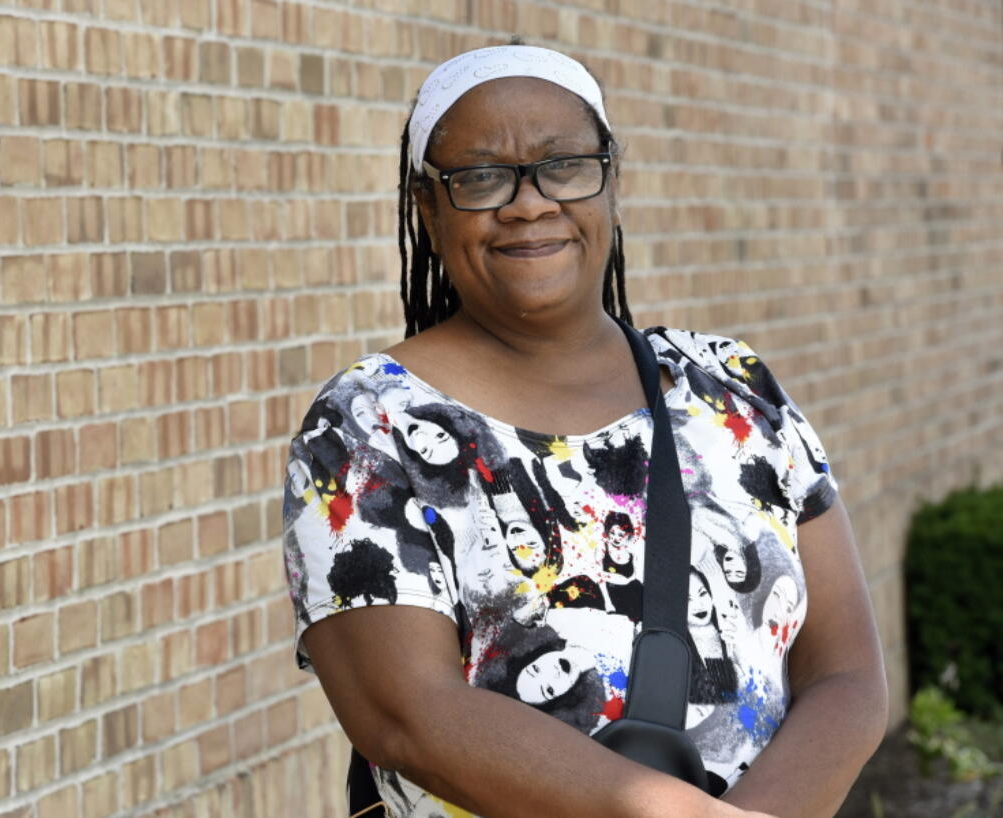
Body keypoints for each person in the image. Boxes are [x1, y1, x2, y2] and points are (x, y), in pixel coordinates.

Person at [281, 44, 887, 818]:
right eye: (480, 177)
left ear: (611, 181)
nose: (529, 203)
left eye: (563, 165)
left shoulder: (732, 388)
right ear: (428, 208)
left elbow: (847, 674)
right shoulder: (367, 428)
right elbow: (408, 717)